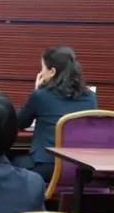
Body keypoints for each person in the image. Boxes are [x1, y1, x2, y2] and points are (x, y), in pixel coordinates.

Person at [13, 46, 98, 182]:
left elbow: (20, 122)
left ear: (52, 71)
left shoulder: (41, 96)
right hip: (81, 171)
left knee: (11, 162)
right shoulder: (91, 97)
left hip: (46, 166)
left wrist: (37, 90)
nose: (41, 72)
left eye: (42, 68)